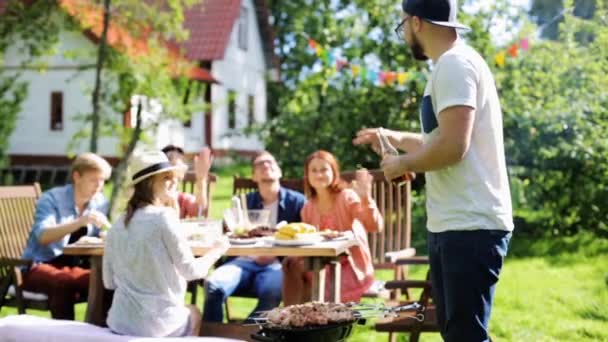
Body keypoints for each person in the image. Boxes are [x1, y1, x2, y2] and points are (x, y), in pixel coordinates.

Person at [353, 0, 513, 340]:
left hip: (470, 225)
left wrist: (402, 163)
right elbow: (437, 140)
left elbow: (454, 146)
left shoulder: (455, 64)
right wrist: (393, 137)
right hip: (453, 225)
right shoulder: (449, 65)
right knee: (455, 332)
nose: (404, 34)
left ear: (416, 22)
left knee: (465, 335)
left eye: (402, 27)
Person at [103, 150, 229, 337]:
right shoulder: (164, 217)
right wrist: (217, 250)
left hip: (120, 323)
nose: (175, 181)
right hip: (157, 326)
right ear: (149, 182)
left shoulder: (116, 225)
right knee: (194, 312)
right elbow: (191, 271)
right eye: (167, 177)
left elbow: (108, 282)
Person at [203, 151, 306, 322]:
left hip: (276, 265)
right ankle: (213, 337)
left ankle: (246, 335)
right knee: (213, 285)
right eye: (260, 164)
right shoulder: (243, 202)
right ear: (253, 176)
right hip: (241, 262)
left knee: (272, 291)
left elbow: (304, 237)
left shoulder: (297, 202)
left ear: (279, 171)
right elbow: (228, 233)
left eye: (270, 162)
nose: (266, 165)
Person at [282, 150, 383, 305]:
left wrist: (365, 198)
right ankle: (294, 317)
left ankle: (318, 319)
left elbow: (375, 226)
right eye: (313, 170)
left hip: (350, 267)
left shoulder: (347, 197)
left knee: (319, 279)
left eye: (324, 169)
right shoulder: (308, 208)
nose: (319, 174)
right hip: (320, 264)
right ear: (307, 175)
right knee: (291, 264)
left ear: (334, 172)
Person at [21, 153, 112, 320]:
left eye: (102, 181)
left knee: (106, 282)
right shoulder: (51, 199)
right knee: (63, 283)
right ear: (77, 176)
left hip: (72, 267)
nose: (99, 186)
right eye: (94, 180)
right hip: (38, 266)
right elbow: (42, 235)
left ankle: (97, 334)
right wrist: (80, 222)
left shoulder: (100, 202)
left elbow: (101, 234)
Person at [161, 145, 212, 219]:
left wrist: (201, 181)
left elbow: (199, 212)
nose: (173, 179)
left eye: (177, 171)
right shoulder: (150, 200)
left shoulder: (182, 199)